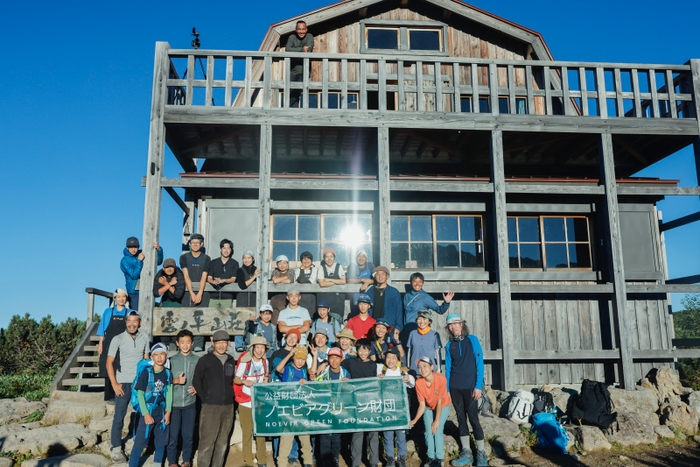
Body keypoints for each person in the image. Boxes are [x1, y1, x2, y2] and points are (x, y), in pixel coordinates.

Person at [106, 310, 150, 463]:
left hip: (139, 383)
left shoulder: (145, 338)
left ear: (140, 323)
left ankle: (137, 444)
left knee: (142, 414)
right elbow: (109, 362)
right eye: (129, 321)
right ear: (126, 322)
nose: (132, 324)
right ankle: (116, 447)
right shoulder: (117, 339)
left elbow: (146, 362)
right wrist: (114, 384)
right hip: (123, 382)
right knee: (119, 416)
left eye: (135, 321)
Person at [445, 314, 486, 467]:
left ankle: (481, 453)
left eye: (456, 323)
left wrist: (478, 386)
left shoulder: (472, 340)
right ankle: (467, 452)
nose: (454, 327)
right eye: (450, 325)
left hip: (470, 387)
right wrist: (448, 389)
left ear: (462, 324)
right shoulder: (449, 345)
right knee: (461, 419)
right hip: (455, 387)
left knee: (474, 419)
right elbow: (448, 368)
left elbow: (479, 363)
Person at [192, 330, 236, 467]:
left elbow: (232, 379)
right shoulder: (205, 360)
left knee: (222, 442)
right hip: (210, 406)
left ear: (228, 343)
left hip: (228, 406)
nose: (221, 345)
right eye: (218, 343)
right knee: (207, 442)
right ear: (213, 342)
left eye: (224, 342)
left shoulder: (231, 360)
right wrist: (205, 397)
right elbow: (196, 381)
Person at [129, 342, 172, 467]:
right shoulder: (146, 373)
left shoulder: (168, 374)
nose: (159, 357)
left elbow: (169, 393)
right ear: (151, 357)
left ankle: (157, 464)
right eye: (156, 355)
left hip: (161, 411)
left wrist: (168, 411)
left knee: (161, 442)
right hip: (147, 410)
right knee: (139, 443)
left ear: (166, 356)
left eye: (162, 354)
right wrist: (145, 414)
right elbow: (140, 395)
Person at [341, 338, 379, 467]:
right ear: (356, 350)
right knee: (357, 434)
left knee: (373, 433)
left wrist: (381, 377)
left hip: (371, 402)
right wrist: (324, 364)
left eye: (366, 350)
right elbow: (336, 363)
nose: (363, 353)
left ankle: (373, 461)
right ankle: (355, 462)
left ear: (369, 351)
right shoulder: (351, 362)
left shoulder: (374, 365)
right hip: (356, 403)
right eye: (360, 350)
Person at [234, 336, 270, 467]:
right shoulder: (245, 362)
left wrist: (265, 382)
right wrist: (245, 381)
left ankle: (262, 460)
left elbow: (266, 377)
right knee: (247, 433)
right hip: (245, 402)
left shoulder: (266, 362)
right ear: (253, 349)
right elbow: (236, 379)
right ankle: (248, 460)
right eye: (257, 347)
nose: (260, 350)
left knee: (260, 432)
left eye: (262, 348)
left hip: (259, 402)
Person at [276, 346, 315, 467]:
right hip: (288, 410)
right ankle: (281, 463)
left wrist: (315, 356)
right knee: (286, 440)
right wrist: (289, 354)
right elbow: (278, 368)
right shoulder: (288, 369)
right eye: (298, 358)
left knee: (305, 439)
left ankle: (307, 462)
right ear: (293, 358)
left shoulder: (304, 371)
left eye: (303, 359)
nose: (300, 361)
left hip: (301, 409)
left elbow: (313, 373)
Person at [410, 357, 452, 467]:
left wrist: (436, 420)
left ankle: (439, 458)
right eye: (419, 367)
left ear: (432, 367)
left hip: (443, 405)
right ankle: (430, 457)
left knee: (436, 429)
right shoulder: (419, 383)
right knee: (428, 431)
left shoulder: (441, 379)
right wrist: (414, 420)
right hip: (428, 407)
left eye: (425, 366)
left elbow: (439, 401)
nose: (422, 369)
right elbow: (422, 405)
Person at [167, 329, 200, 467]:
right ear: (177, 344)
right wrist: (175, 381)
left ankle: (187, 460)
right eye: (182, 342)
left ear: (192, 343)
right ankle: (172, 461)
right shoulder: (171, 360)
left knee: (188, 435)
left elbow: (203, 379)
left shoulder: (198, 360)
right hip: (174, 404)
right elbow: (164, 380)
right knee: (173, 436)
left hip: (190, 404)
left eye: (188, 342)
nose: (185, 345)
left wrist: (198, 388)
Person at [313, 347, 350, 467]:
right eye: (332, 358)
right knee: (324, 437)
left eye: (337, 358)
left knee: (336, 438)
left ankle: (334, 459)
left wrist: (347, 384)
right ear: (328, 359)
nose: (334, 361)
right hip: (325, 409)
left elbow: (351, 391)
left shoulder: (345, 373)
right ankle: (325, 460)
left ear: (341, 359)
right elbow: (315, 389)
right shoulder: (323, 372)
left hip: (339, 409)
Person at [377, 347, 414, 467]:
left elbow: (412, 384)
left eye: (394, 358)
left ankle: (402, 457)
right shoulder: (381, 370)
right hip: (386, 409)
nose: (391, 360)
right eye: (388, 358)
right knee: (387, 435)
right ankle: (390, 458)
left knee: (401, 435)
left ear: (398, 359)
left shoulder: (402, 372)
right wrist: (379, 379)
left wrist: (409, 379)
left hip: (400, 410)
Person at [97, 288, 131, 402]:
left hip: (123, 344)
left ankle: (121, 395)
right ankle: (109, 395)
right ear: (115, 298)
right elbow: (102, 328)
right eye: (119, 297)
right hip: (108, 343)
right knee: (108, 368)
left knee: (121, 368)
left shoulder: (129, 312)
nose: (121, 299)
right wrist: (100, 344)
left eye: (123, 296)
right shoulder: (108, 312)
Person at [402, 272, 454, 344]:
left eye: (420, 282)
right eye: (414, 281)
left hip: (418, 329)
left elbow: (440, 310)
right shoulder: (406, 296)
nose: (417, 284)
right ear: (411, 282)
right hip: (406, 330)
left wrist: (446, 303)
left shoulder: (425, 297)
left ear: (423, 283)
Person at [121, 236, 163, 311]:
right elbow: (134, 275)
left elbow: (158, 262)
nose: (133, 249)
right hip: (133, 292)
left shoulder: (142, 253)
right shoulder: (124, 261)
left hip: (147, 289)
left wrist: (158, 250)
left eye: (135, 247)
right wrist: (139, 261)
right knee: (136, 315)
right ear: (127, 248)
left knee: (148, 314)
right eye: (131, 247)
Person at [364, 266, 404, 334]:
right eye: (378, 274)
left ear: (387, 276)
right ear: (374, 276)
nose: (380, 276)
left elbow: (399, 311)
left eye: (383, 274)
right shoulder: (370, 292)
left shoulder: (394, 292)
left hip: (390, 326)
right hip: (374, 326)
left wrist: (398, 327)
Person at [286, 20, 314, 108]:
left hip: (304, 71)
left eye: (303, 29)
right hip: (292, 71)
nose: (301, 31)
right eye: (299, 29)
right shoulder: (292, 37)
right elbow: (287, 50)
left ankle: (285, 108)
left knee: (297, 91)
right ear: (296, 29)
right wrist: (302, 50)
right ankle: (292, 111)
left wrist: (294, 52)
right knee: (292, 92)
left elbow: (308, 52)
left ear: (306, 29)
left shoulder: (309, 36)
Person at [180, 233, 211, 308]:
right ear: (190, 244)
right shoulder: (184, 257)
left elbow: (204, 276)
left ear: (201, 244)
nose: (195, 245)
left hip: (202, 291)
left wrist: (200, 293)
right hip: (187, 291)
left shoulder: (206, 258)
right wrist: (192, 293)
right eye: (193, 243)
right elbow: (186, 275)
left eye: (197, 243)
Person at [317, 247, 346, 323]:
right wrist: (336, 282)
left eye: (331, 257)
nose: (329, 259)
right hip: (324, 300)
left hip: (337, 301)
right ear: (324, 258)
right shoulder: (321, 267)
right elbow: (322, 283)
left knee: (337, 322)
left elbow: (343, 281)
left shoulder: (339, 266)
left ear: (334, 258)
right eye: (327, 257)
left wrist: (330, 279)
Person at [207, 239, 239, 308]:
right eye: (224, 248)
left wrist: (223, 280)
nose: (226, 251)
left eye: (228, 248)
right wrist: (213, 281)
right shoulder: (213, 262)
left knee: (227, 317)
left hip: (227, 297)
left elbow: (233, 279)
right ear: (220, 249)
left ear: (231, 250)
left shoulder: (235, 263)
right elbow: (209, 277)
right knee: (210, 316)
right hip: (213, 296)